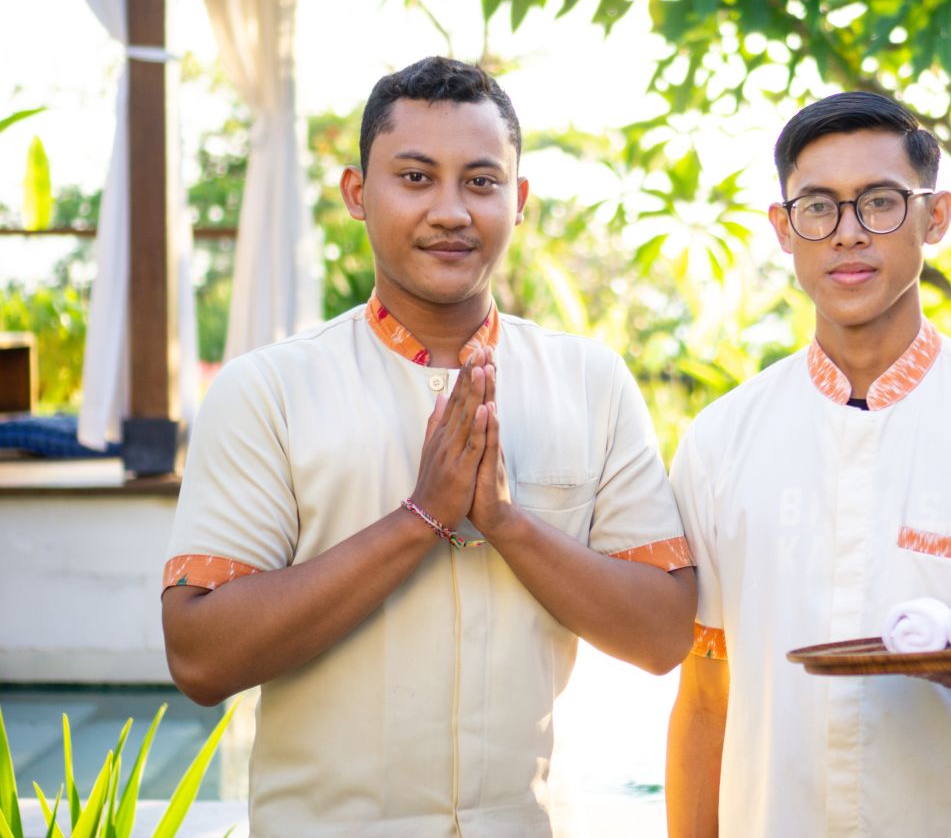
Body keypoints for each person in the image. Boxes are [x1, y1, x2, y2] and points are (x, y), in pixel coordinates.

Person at [161, 56, 696, 835]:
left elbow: (660, 636)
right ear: (357, 193)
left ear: (518, 201)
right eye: (415, 177)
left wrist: (509, 524)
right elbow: (201, 659)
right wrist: (420, 518)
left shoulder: (590, 382)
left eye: (480, 182)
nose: (450, 210)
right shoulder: (266, 391)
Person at [664, 91, 951, 838]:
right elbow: (706, 693)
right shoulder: (719, 441)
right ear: (784, 229)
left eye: (879, 202)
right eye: (818, 207)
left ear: (934, 217)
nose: (848, 235)